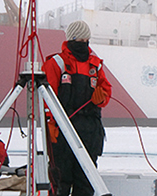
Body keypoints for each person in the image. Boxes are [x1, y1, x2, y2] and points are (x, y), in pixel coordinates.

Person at [42, 20, 112, 196]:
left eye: (85, 40)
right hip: (63, 129)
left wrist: (101, 98)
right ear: (71, 39)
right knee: (61, 180)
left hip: (89, 130)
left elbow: (106, 90)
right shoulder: (56, 63)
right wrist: (51, 123)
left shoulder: (96, 65)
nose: (83, 43)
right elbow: (46, 96)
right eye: (79, 40)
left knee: (86, 181)